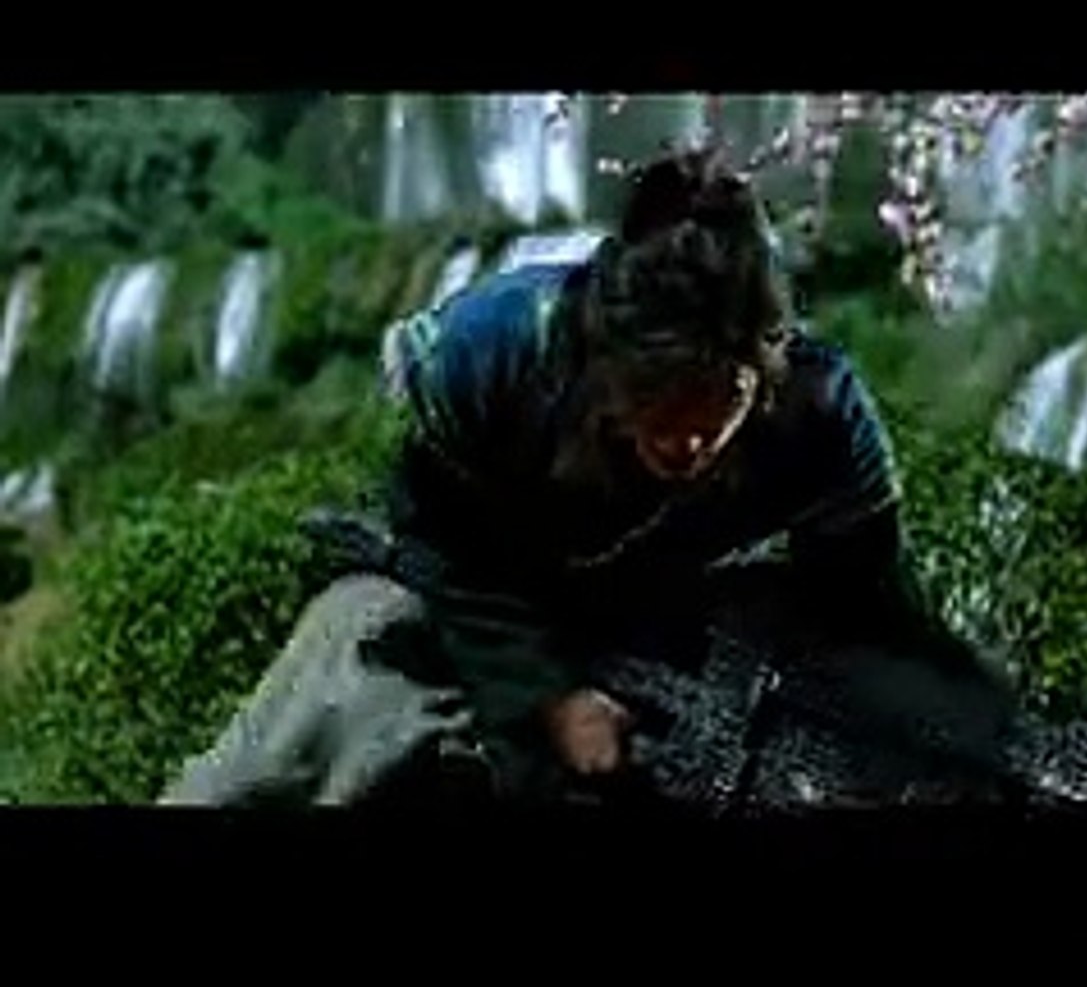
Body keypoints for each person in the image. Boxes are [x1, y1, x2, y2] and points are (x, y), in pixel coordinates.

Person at [160, 146, 1005, 806]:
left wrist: (952, 722)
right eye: (660, 401)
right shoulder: (496, 349)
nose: (690, 436)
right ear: (612, 367)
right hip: (475, 602)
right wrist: (549, 699)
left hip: (657, 618)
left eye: (718, 399)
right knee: (353, 660)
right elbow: (444, 547)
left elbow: (862, 595)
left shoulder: (818, 408)